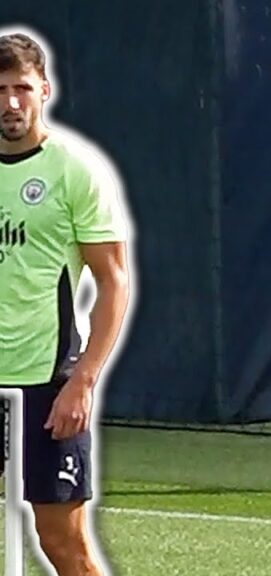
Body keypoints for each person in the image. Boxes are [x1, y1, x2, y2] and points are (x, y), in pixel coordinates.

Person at [0, 31, 130, 576]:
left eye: (21, 89)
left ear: (44, 90)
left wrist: (83, 379)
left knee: (62, 542)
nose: (9, 102)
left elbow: (114, 281)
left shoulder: (75, 170)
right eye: (0, 89)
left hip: (45, 379)